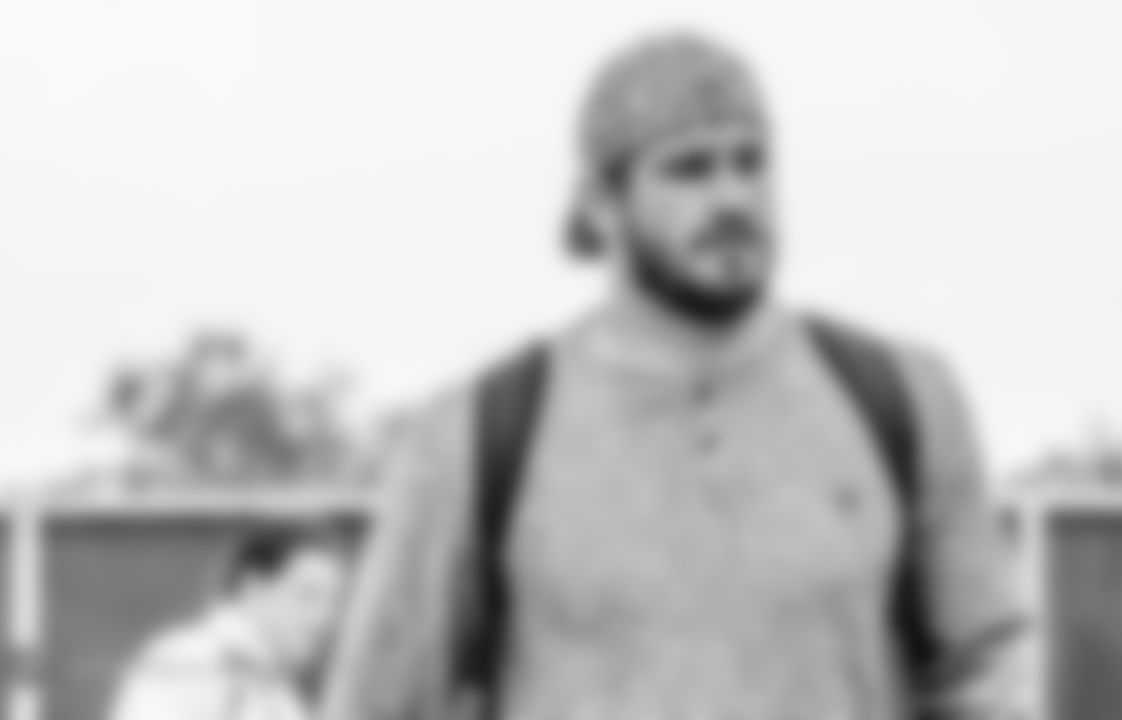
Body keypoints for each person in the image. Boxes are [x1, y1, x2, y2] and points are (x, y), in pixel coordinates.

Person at [321, 30, 1032, 720]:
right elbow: (379, 701)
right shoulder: (480, 431)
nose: (733, 198)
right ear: (601, 205)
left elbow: (984, 680)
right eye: (689, 169)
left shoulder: (899, 396)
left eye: (751, 162)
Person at [109, 521, 355, 720]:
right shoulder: (189, 661)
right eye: (308, 596)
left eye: (332, 602)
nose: (325, 618)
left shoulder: (275, 689)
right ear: (255, 588)